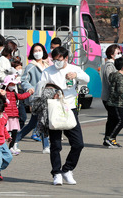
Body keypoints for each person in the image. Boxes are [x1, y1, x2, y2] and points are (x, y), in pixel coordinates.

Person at [39, 46, 89, 186]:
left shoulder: (73, 68)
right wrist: (50, 93)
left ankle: (67, 169)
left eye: (59, 59)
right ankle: (56, 173)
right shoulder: (48, 71)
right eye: (54, 60)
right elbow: (41, 88)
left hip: (70, 109)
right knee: (55, 145)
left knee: (78, 143)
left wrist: (76, 75)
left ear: (66, 58)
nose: (56, 62)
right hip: (54, 108)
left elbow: (87, 78)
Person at [18, 43, 51, 153]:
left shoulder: (47, 66)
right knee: (42, 121)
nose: (38, 52)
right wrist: (29, 88)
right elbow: (24, 80)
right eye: (35, 51)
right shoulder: (30, 66)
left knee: (34, 123)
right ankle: (46, 146)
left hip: (46, 97)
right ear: (32, 53)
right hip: (36, 98)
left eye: (39, 50)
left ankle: (15, 140)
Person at [2, 75, 33, 155]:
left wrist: (28, 93)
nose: (13, 86)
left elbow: (21, 96)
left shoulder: (14, 93)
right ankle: (4, 148)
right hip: (6, 116)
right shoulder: (3, 93)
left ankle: (11, 147)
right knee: (6, 132)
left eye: (14, 84)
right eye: (11, 84)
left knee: (15, 131)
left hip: (14, 115)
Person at [104, 57, 123, 148]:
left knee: (113, 121)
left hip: (113, 102)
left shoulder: (116, 75)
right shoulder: (119, 77)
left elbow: (122, 88)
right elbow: (120, 90)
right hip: (116, 102)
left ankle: (110, 139)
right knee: (122, 120)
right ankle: (110, 138)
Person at [101, 44, 122, 146]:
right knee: (118, 119)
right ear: (111, 54)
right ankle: (110, 138)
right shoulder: (109, 65)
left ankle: (108, 139)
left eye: (120, 52)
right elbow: (111, 82)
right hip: (110, 97)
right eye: (118, 53)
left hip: (110, 97)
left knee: (111, 119)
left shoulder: (114, 65)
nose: (120, 54)